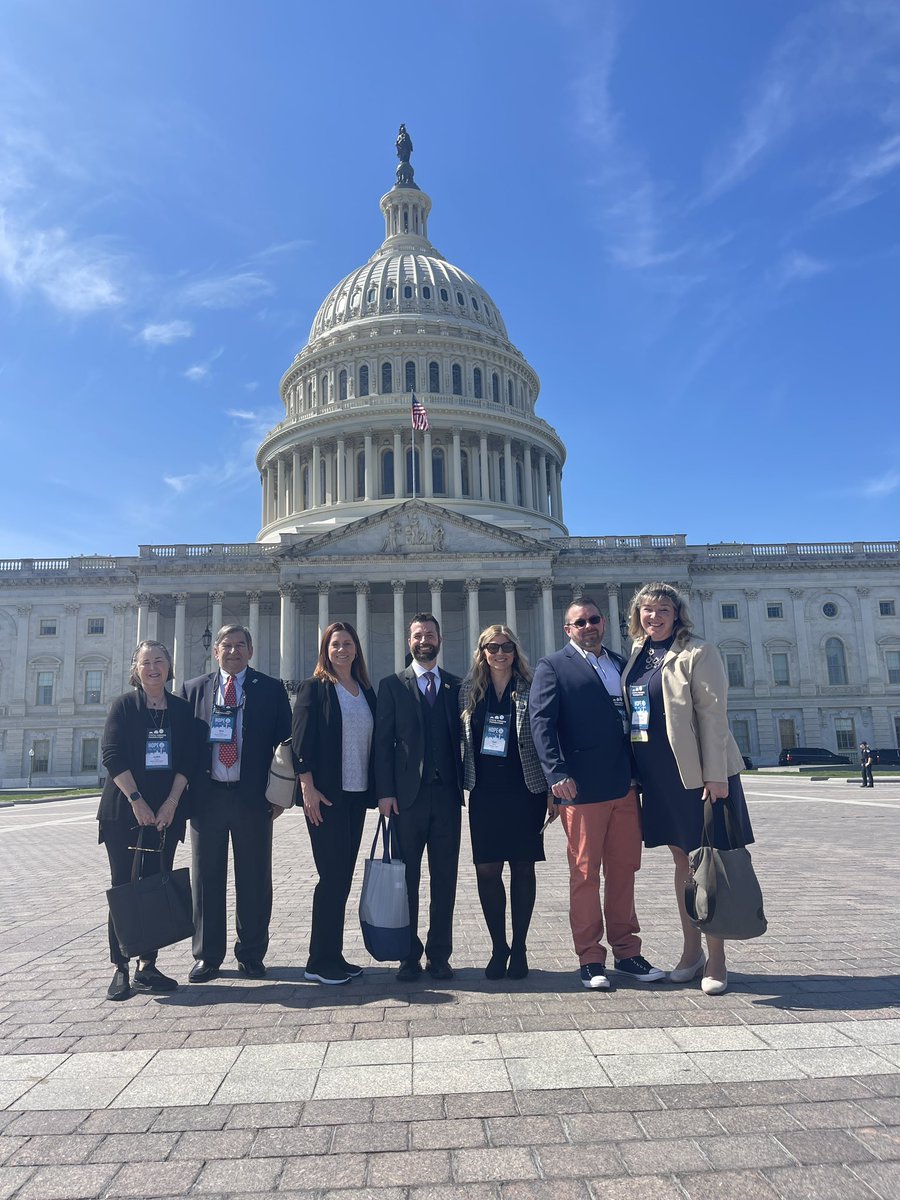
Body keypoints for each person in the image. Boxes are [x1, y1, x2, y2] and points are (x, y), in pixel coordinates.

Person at [622, 582, 753, 997]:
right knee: (683, 866)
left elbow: (714, 717)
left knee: (707, 865)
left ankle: (717, 958)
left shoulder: (699, 652)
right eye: (647, 610)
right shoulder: (638, 656)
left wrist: (716, 776)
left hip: (698, 776)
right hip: (660, 777)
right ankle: (691, 951)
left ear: (677, 614)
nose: (654, 616)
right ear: (637, 615)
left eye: (663, 609)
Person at [530, 598, 664, 991]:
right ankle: (590, 957)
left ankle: (627, 950)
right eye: (578, 622)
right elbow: (541, 723)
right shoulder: (553, 666)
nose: (587, 626)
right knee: (585, 874)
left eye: (593, 620)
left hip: (624, 783)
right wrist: (556, 773)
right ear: (567, 629)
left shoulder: (620, 664)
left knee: (624, 871)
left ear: (603, 622)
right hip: (581, 787)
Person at [180, 624, 291, 982]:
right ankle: (207, 956)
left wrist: (282, 796)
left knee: (255, 879)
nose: (233, 652)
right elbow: (185, 749)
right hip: (207, 797)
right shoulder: (193, 690)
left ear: (251, 650)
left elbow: (286, 745)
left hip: (253, 797)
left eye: (240, 645)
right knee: (206, 878)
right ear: (216, 652)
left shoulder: (271, 690)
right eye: (226, 646)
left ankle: (251, 953)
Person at [98, 640, 193, 1001]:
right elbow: (111, 754)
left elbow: (188, 760)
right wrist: (136, 799)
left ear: (169, 666)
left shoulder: (181, 711)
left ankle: (147, 966)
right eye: (145, 662)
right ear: (135, 669)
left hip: (165, 814)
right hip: (124, 810)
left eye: (159, 661)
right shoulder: (123, 706)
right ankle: (120, 967)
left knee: (155, 884)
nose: (153, 667)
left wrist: (170, 804)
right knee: (124, 885)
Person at [374, 613, 463, 982]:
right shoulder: (392, 685)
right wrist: (385, 793)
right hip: (405, 800)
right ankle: (407, 954)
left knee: (445, 880)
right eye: (417, 635)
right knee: (405, 880)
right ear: (408, 641)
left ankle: (439, 955)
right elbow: (382, 744)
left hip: (446, 797)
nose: (423, 640)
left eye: (429, 634)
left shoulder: (456, 686)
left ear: (440, 640)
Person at [460, 625, 551, 980]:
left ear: (516, 650)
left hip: (524, 789)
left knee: (523, 868)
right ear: (482, 652)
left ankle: (521, 948)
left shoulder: (532, 687)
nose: (500, 653)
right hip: (484, 790)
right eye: (493, 647)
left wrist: (550, 790)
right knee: (487, 870)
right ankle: (499, 947)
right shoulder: (468, 691)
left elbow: (546, 736)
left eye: (507, 647)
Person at [292, 622, 377, 985]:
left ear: (356, 649)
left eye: (347, 643)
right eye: (335, 644)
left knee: (342, 878)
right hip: (324, 796)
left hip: (355, 797)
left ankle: (333, 954)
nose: (341, 649)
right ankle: (317, 960)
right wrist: (307, 787)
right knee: (330, 878)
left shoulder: (365, 692)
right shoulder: (314, 689)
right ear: (325, 650)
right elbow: (299, 743)